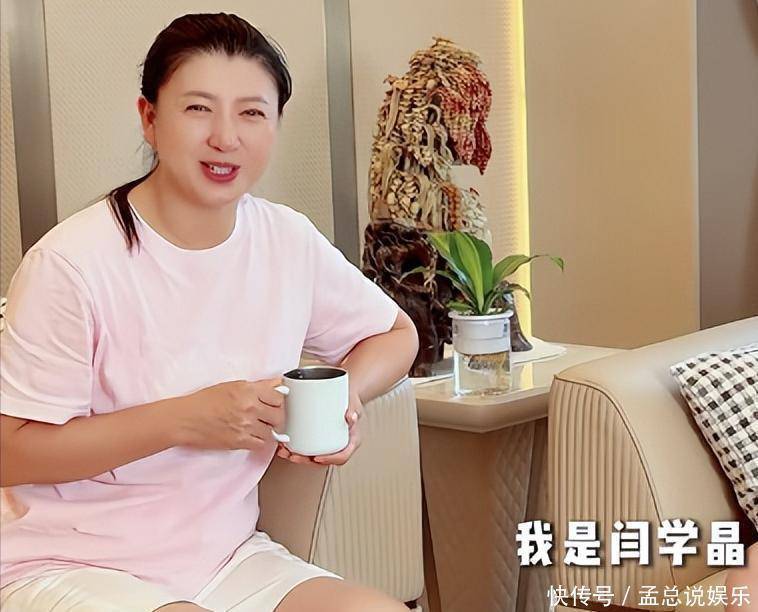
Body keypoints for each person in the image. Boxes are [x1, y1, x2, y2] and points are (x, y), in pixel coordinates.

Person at [0, 13, 418, 612]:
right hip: (67, 561)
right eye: (198, 109)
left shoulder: (285, 240)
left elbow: (395, 334)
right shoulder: (71, 263)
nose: (226, 137)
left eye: (252, 113)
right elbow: (11, 450)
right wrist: (184, 420)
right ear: (150, 118)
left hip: (226, 558)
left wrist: (344, 394)